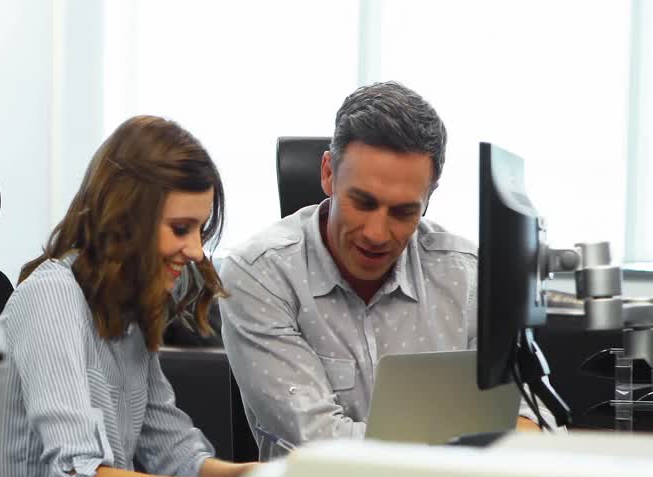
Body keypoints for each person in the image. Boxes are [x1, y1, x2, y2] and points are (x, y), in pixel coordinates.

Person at [218, 81, 536, 453]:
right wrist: (466, 444)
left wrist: (517, 433)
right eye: (363, 203)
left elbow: (530, 417)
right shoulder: (260, 273)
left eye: (403, 212)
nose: (377, 233)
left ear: (429, 200)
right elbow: (318, 440)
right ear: (328, 174)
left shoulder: (468, 276)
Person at [0, 116, 256, 477]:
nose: (195, 251)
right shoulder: (52, 297)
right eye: (181, 228)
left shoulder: (128, 314)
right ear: (127, 216)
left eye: (200, 230)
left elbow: (177, 457)